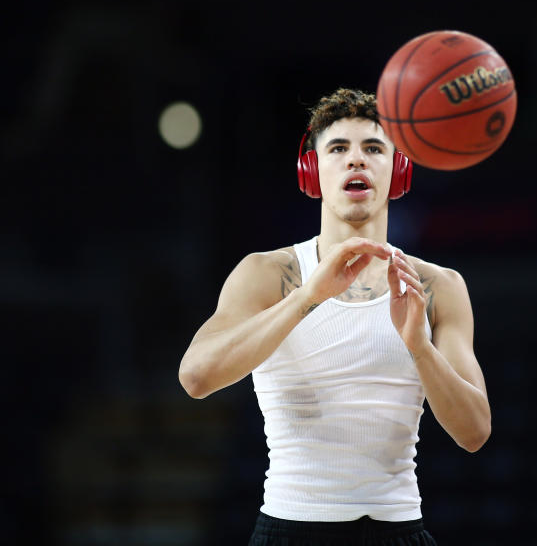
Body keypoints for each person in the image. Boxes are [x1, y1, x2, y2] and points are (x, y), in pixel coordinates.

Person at [178, 88, 491, 546]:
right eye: (339, 149)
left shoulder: (439, 286)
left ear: (398, 171)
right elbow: (196, 378)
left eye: (373, 149)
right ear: (313, 170)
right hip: (290, 526)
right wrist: (307, 297)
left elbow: (475, 432)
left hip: (397, 527)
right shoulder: (266, 274)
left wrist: (419, 348)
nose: (356, 161)